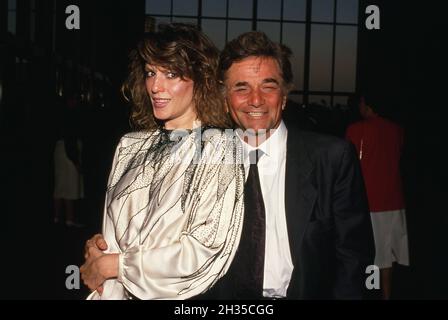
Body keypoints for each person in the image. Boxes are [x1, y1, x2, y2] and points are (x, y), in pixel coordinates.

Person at [85, 31, 375, 300]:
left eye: (268, 86)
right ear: (224, 99)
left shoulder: (331, 158)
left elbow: (353, 258)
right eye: (241, 88)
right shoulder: (203, 156)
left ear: (285, 96)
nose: (256, 100)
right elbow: (159, 229)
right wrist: (105, 248)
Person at [80, 23, 245, 300]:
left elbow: (204, 249)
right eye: (150, 73)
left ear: (201, 78)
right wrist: (98, 248)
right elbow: (116, 229)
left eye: (171, 74)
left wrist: (115, 265)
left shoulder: (220, 148)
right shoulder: (130, 146)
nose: (156, 86)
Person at [346, 93, 409, 299]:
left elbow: (348, 166)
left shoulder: (357, 130)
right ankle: (385, 296)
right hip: (394, 201)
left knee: (369, 254)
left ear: (368, 105)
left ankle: (370, 293)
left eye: (362, 103)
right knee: (386, 256)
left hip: (369, 202)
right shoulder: (396, 130)